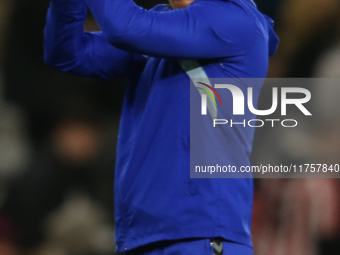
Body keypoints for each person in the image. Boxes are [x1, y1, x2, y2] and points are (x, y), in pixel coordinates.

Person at [44, 0, 279, 254]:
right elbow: (68, 53)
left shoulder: (234, 18)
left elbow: (125, 27)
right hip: (142, 237)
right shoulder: (164, 25)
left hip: (200, 233)